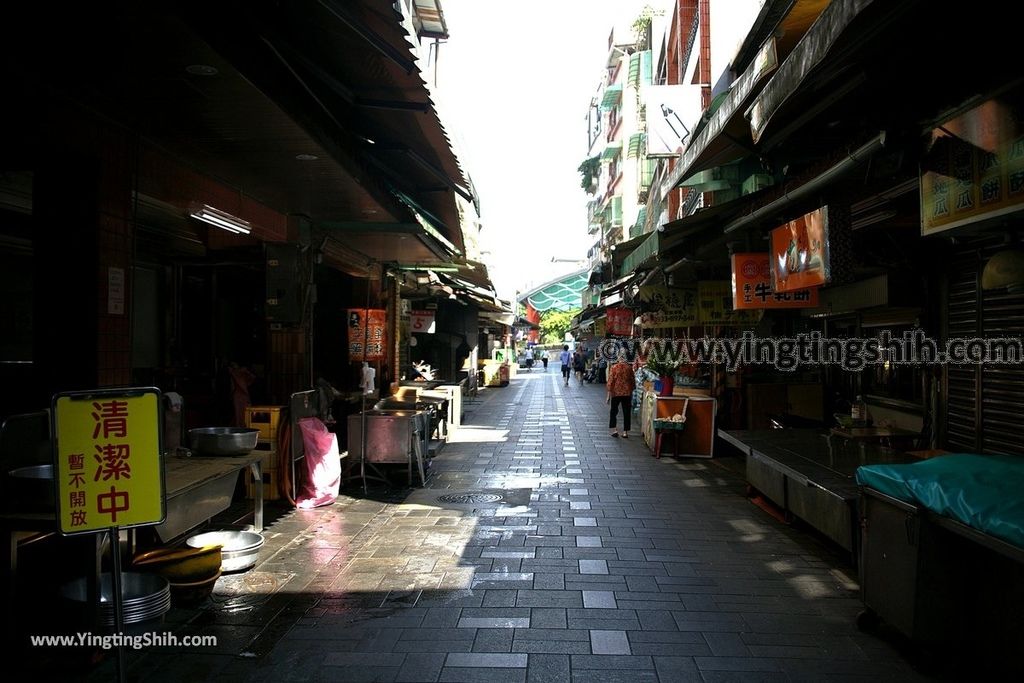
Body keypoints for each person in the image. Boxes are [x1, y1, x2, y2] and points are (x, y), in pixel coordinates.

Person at [606, 352, 636, 438]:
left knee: (614, 411)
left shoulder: (614, 367)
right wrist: (631, 390)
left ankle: (615, 430)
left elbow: (610, 381)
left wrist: (608, 395)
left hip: (616, 393)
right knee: (626, 412)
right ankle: (625, 432)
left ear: (619, 357)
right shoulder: (629, 368)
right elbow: (632, 381)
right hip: (627, 393)